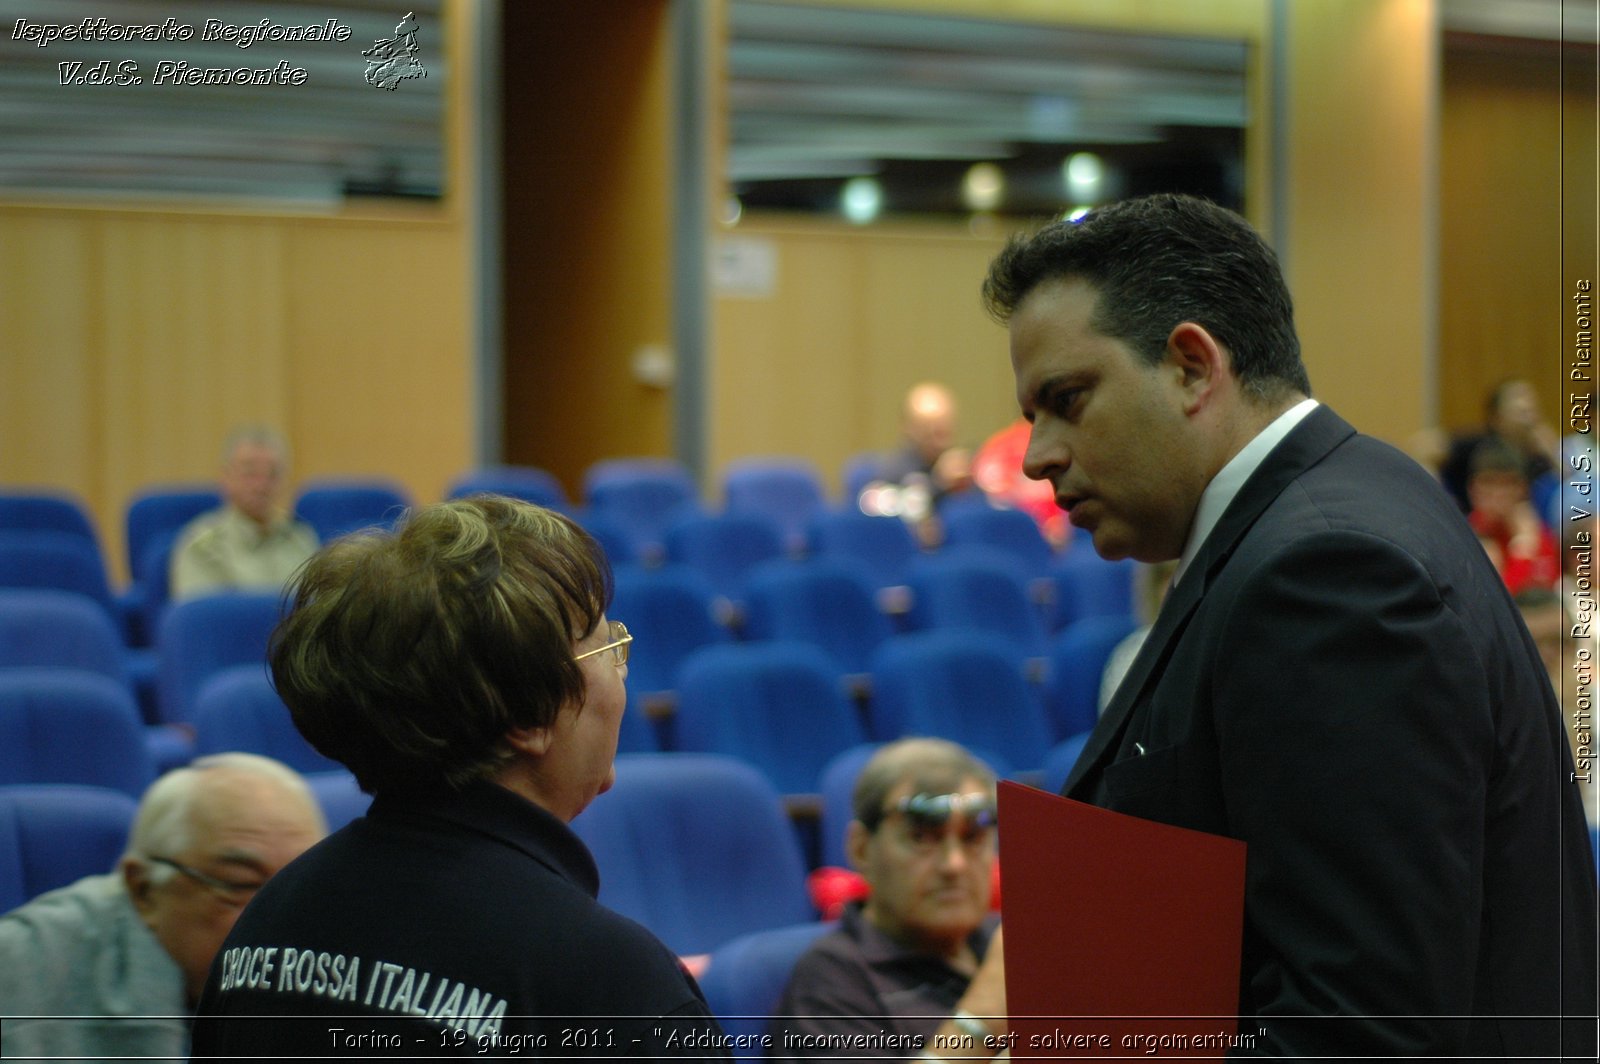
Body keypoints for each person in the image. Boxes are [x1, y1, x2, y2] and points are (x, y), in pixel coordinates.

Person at [982, 193, 1597, 1058]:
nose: (1038, 454)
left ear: (1193, 366)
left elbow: (1356, 1034)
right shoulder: (1349, 497)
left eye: (1067, 400)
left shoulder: (1326, 573)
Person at [190, 496, 730, 1060]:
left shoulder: (266, 925)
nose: (622, 677)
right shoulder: (611, 984)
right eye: (608, 648)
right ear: (529, 716)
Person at [0, 754, 326, 1061]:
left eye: (303, 886)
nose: (283, 920)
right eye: (239, 885)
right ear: (143, 890)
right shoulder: (21, 973)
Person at [770, 739, 1005, 1062]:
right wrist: (981, 1019)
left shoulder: (1006, 945)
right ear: (861, 849)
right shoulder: (828, 982)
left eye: (973, 838)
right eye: (922, 837)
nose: (954, 864)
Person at [169, 426, 318, 602]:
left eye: (272, 474)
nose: (261, 485)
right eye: (250, 473)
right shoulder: (203, 547)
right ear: (225, 477)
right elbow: (201, 620)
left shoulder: (300, 539)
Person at [859, 382, 975, 543]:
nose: (938, 438)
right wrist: (938, 483)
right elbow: (881, 519)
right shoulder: (891, 470)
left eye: (943, 429)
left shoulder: (965, 469)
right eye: (929, 428)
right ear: (908, 427)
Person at [1438, 377, 1561, 515]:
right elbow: (1423, 447)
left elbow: (1567, 491)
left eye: (1532, 411)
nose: (1529, 420)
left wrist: (1553, 453)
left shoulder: (1539, 457)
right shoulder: (1475, 444)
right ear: (1497, 417)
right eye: (1521, 412)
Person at [1465, 438, 1560, 594]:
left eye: (1508, 483)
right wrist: (1522, 552)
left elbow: (1548, 594)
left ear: (1523, 489)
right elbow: (1496, 605)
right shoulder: (1464, 535)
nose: (1499, 494)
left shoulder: (1538, 534)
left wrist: (1524, 544)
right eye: (1489, 482)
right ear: (1472, 488)